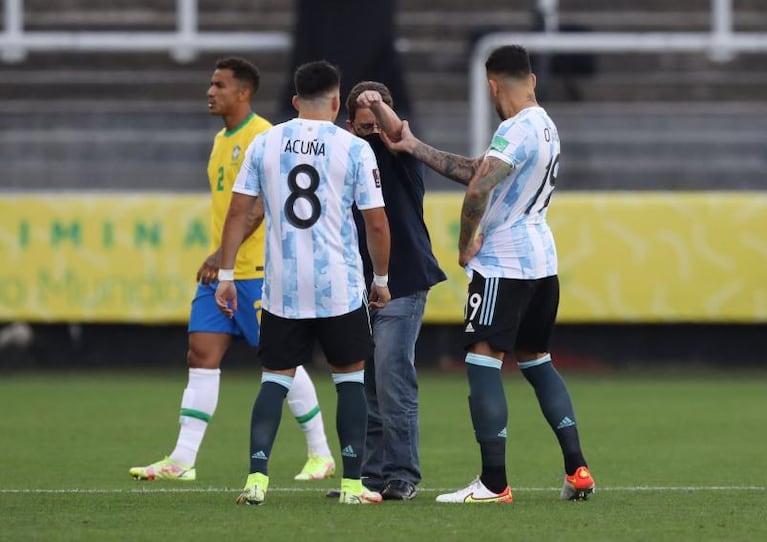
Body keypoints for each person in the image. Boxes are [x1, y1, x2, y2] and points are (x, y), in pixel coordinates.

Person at [383, 44, 595, 503]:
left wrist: (466, 243)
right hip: (542, 260)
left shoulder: (514, 129)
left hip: (504, 262)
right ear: (532, 80)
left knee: (483, 363)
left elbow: (479, 186)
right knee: (537, 361)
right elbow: (480, 170)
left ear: (492, 86)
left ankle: (494, 483)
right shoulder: (544, 126)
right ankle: (577, 470)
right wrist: (413, 146)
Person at [129, 57, 335, 483]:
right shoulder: (222, 140)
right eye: (211, 84)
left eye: (219, 85)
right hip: (222, 272)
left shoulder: (263, 135)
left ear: (244, 93)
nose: (210, 91)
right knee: (201, 355)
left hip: (258, 270)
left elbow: (259, 207)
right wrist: (221, 261)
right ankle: (182, 459)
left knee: (282, 362)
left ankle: (320, 452)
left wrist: (222, 254)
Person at [215, 60, 392, 506]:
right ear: (337, 103)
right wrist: (383, 279)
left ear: (295, 101)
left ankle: (257, 479)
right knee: (350, 381)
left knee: (274, 380)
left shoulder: (265, 142)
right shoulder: (353, 148)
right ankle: (353, 484)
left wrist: (226, 274)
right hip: (338, 285)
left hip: (283, 287)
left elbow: (239, 212)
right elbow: (376, 224)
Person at [345, 82, 446, 500]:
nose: (372, 133)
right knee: (368, 382)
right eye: (363, 126)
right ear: (349, 126)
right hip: (358, 283)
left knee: (391, 376)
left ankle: (403, 474)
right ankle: (373, 476)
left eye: (378, 124)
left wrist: (379, 108)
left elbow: (396, 131)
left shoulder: (401, 155)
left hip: (402, 280)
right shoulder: (345, 158)